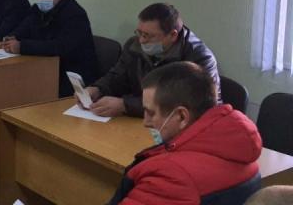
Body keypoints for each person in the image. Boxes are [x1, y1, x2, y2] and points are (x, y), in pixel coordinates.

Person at [108, 61, 261, 205]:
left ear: (181, 116)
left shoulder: (171, 177)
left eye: (151, 113)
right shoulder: (241, 151)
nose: (146, 122)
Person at [83, 3, 220, 117]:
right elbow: (117, 76)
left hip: (181, 128)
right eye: (139, 33)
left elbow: (186, 105)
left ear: (172, 35)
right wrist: (98, 89)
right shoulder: (134, 45)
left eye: (148, 36)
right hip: (142, 120)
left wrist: (125, 105)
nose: (141, 40)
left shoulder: (200, 58)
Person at [1, 0, 97, 97]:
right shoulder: (37, 11)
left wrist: (22, 46)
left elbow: (60, 46)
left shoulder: (74, 14)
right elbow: (23, 29)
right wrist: (11, 38)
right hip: (46, 66)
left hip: (72, 73)